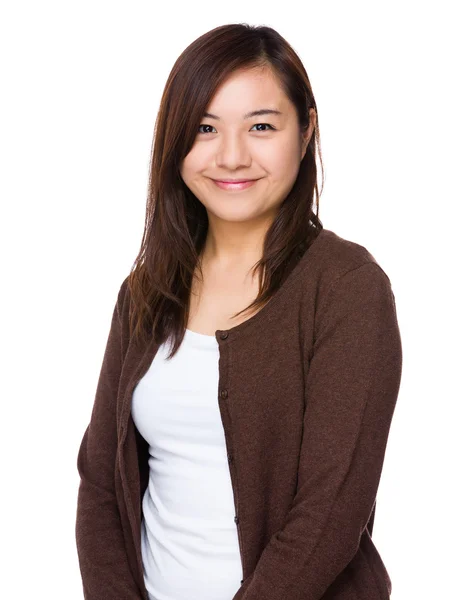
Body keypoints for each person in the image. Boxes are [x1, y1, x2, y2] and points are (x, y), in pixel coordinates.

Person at [75, 23, 402, 600]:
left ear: (304, 133)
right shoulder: (146, 290)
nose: (231, 155)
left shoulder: (348, 287)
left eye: (261, 126)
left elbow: (330, 514)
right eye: (205, 128)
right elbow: (102, 483)